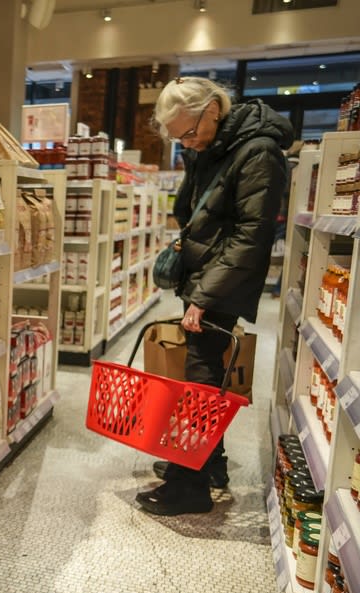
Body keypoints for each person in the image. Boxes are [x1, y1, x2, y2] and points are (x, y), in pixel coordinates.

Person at [137, 77, 294, 516]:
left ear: (213, 109)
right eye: (178, 137)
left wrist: (205, 296)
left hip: (223, 282)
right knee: (202, 369)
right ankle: (212, 466)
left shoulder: (259, 151)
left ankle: (189, 486)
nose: (188, 141)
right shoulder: (212, 149)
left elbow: (251, 235)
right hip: (208, 275)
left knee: (201, 380)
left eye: (190, 132)